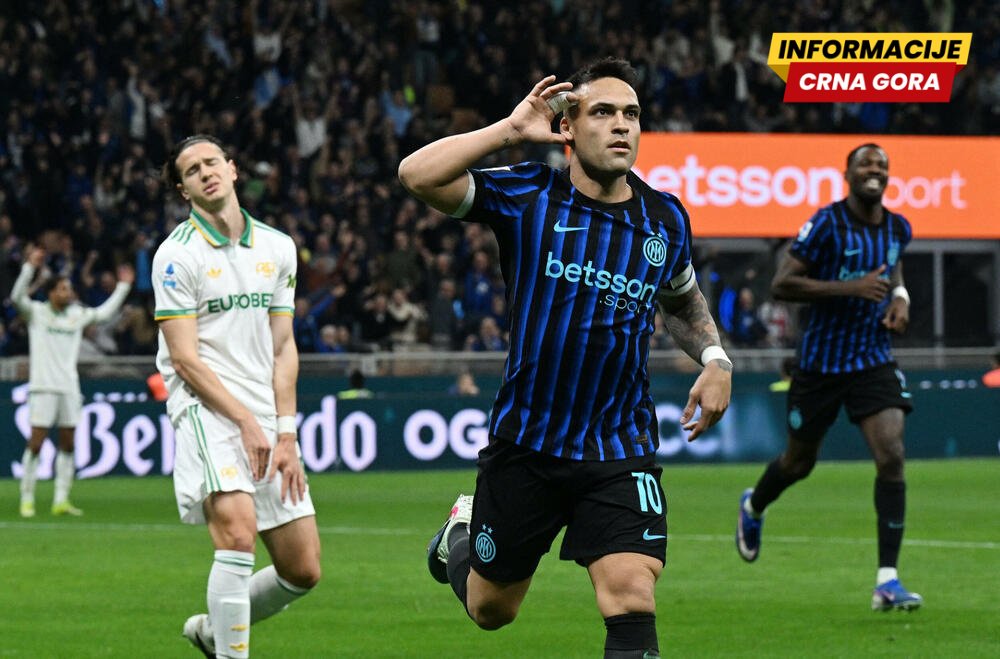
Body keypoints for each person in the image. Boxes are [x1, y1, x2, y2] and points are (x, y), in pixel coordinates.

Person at [398, 58, 732, 658]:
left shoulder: (664, 218)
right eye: (603, 112)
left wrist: (715, 358)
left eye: (631, 114)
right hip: (528, 442)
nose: (621, 124)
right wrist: (508, 130)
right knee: (492, 610)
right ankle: (458, 535)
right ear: (568, 127)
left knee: (631, 593)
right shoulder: (530, 194)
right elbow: (416, 175)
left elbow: (682, 301)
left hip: (619, 444)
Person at [153, 134, 320, 658]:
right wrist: (245, 421)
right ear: (183, 190)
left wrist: (285, 432)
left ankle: (213, 631)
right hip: (206, 409)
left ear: (232, 168)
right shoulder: (176, 256)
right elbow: (184, 360)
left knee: (302, 569)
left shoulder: (278, 247)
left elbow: (283, 346)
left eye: (211, 163)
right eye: (192, 170)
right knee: (238, 537)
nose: (205, 172)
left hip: (264, 412)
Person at [735, 143, 921, 612]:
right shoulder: (826, 224)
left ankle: (887, 581)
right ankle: (754, 505)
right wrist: (850, 288)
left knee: (892, 455)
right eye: (865, 164)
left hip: (873, 359)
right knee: (798, 463)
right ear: (848, 174)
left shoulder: (898, 227)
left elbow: (894, 267)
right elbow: (781, 284)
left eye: (881, 165)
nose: (874, 170)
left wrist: (900, 298)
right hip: (820, 365)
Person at [13, 247, 133, 518]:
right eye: (63, 289)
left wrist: (123, 287)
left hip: (69, 387)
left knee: (68, 444)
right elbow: (17, 296)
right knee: (36, 443)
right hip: (43, 387)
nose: (68, 293)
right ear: (52, 293)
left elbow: (103, 314)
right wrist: (29, 268)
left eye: (69, 289)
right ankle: (27, 498)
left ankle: (61, 499)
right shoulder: (36, 313)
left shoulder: (76, 314)